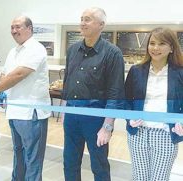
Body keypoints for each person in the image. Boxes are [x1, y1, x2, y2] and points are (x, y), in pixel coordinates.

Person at [61, 7, 125, 181]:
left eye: (87, 19)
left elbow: (115, 93)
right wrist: (64, 112)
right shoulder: (72, 50)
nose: (82, 23)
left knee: (99, 165)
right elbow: (68, 83)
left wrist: (108, 126)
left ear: (101, 25)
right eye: (81, 18)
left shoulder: (113, 53)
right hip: (72, 115)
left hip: (96, 117)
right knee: (69, 162)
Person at [0, 15, 51, 181]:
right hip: (14, 111)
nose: (14, 31)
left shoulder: (36, 48)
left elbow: (19, 74)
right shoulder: (13, 51)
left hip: (31, 114)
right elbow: (5, 75)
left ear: (30, 28)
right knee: (18, 152)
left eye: (18, 27)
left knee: (33, 157)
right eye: (12, 27)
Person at [125, 27, 183, 181]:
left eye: (162, 43)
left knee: (160, 178)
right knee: (139, 177)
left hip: (166, 134)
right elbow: (126, 100)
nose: (155, 48)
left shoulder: (180, 73)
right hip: (138, 133)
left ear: (171, 47)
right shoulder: (136, 71)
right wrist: (129, 119)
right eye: (152, 43)